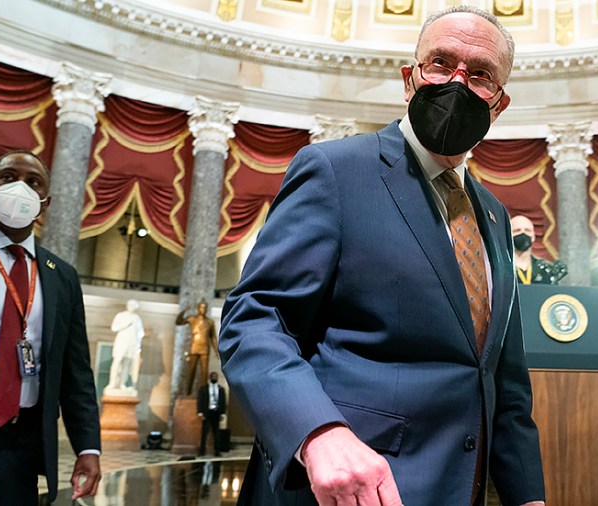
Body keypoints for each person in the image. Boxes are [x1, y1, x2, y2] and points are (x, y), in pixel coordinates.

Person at [219, 6, 545, 506]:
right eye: (440, 63)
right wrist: (317, 433)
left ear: (499, 103)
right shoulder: (335, 170)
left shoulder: (496, 217)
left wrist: (528, 496)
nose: (456, 82)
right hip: (343, 487)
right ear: (409, 79)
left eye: (480, 75)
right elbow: (255, 319)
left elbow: (503, 378)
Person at [0, 151, 101, 504]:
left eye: (33, 181)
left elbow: (76, 371)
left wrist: (88, 446)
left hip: (24, 441)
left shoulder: (61, 276)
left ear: (45, 202)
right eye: (8, 177)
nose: (21, 186)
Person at [510, 214, 566, 285]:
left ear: (533, 236)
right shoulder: (502, 268)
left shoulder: (546, 269)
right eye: (517, 230)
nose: (523, 233)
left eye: (527, 230)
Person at [176, 299, 217, 396]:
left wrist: (216, 350)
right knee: (191, 371)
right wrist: (184, 311)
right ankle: (187, 393)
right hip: (194, 347)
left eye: (205, 308)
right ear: (198, 308)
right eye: (202, 307)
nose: (203, 309)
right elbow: (178, 322)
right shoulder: (192, 319)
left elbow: (213, 337)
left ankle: (202, 395)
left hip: (205, 348)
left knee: (204, 373)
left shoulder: (210, 322)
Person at [105, 299, 145, 394]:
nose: (132, 307)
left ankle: (122, 384)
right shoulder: (120, 315)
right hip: (122, 341)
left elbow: (140, 332)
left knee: (126, 364)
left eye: (134, 306)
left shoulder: (137, 318)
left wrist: (138, 343)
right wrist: (125, 325)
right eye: (131, 305)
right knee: (117, 361)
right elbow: (114, 327)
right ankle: (112, 383)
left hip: (132, 343)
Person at [197, 371, 227, 457]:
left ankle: (217, 451)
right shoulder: (204, 388)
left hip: (216, 412)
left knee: (216, 433)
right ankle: (201, 451)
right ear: (210, 377)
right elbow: (200, 400)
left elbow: (223, 401)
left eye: (216, 376)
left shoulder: (220, 389)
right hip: (207, 412)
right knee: (204, 432)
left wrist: (223, 413)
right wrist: (200, 412)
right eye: (213, 376)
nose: (214, 377)